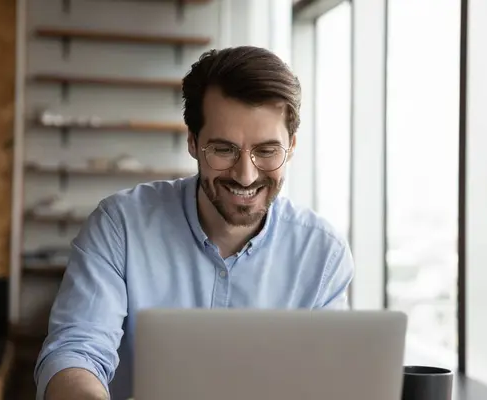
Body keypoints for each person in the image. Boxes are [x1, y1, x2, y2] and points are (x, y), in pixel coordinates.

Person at [33, 45, 355, 400]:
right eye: (223, 149)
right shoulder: (120, 226)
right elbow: (76, 352)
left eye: (266, 151)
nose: (246, 176)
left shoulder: (323, 255)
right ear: (192, 143)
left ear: (291, 146)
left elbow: (330, 381)